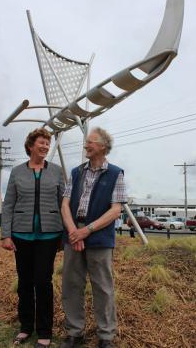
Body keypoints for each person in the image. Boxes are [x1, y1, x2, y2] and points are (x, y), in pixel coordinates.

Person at [60, 127, 127, 348]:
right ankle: (74, 332)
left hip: (98, 236)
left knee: (103, 287)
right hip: (73, 233)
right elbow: (65, 204)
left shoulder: (116, 173)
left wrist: (86, 230)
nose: (85, 145)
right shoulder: (76, 171)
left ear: (103, 147)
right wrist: (73, 232)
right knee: (71, 284)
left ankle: (106, 336)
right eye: (86, 142)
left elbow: (115, 210)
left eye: (90, 142)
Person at [1, 128, 65, 348]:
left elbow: (63, 203)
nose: (46, 146)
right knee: (25, 282)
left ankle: (45, 331)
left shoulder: (56, 171)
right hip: (21, 235)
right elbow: (8, 204)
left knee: (43, 281)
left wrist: (65, 235)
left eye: (48, 143)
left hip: (49, 235)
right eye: (42, 142)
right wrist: (5, 235)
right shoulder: (17, 172)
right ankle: (26, 327)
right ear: (30, 145)